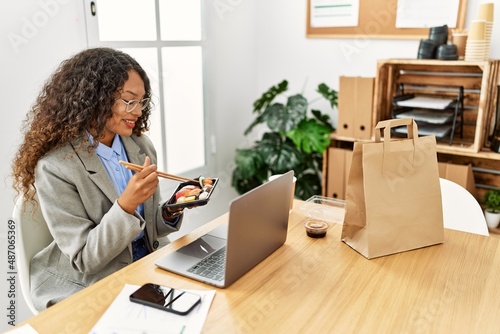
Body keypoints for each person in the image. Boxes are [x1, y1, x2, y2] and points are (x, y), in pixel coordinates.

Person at [11, 47, 185, 311]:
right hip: (91, 279)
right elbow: (85, 259)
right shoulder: (55, 167)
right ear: (95, 98)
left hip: (145, 260)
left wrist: (174, 208)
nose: (138, 111)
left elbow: (147, 229)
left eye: (142, 101)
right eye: (129, 101)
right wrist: (126, 205)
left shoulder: (140, 146)